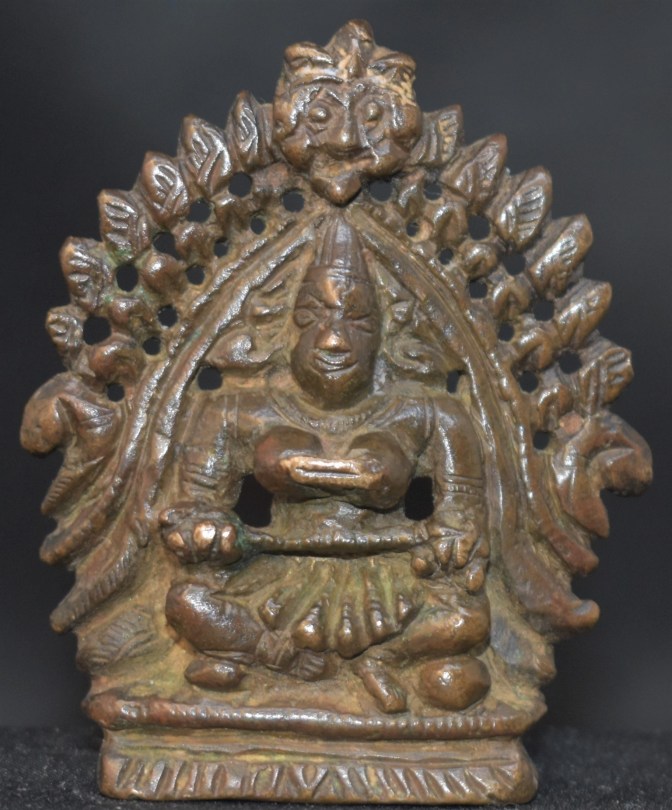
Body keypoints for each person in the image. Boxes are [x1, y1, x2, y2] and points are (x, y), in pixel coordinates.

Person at [161, 216, 491, 713]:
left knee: (468, 619)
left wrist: (451, 543)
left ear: (385, 335)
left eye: (358, 321)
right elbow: (192, 508)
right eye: (311, 315)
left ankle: (381, 658)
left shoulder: (431, 413)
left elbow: (464, 513)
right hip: (275, 572)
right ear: (284, 325)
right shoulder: (233, 410)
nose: (334, 340)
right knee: (187, 603)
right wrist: (209, 533)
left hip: (388, 577)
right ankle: (276, 656)